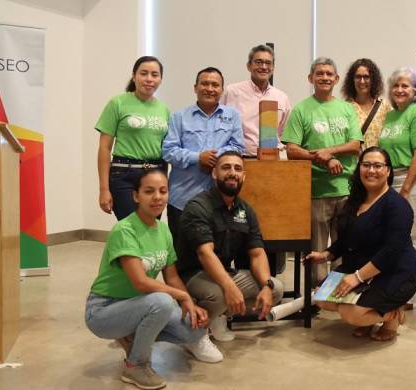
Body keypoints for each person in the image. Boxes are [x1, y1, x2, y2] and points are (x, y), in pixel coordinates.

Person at [84, 169, 222, 390]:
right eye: (149, 191)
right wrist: (183, 296)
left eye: (163, 191)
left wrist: (192, 306)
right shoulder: (125, 230)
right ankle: (135, 365)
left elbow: (172, 276)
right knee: (163, 302)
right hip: (103, 310)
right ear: (136, 196)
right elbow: (140, 282)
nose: (157, 197)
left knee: (194, 329)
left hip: (138, 305)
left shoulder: (164, 231)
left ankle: (132, 336)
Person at [305, 147, 416, 341]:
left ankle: (392, 315)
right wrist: (325, 255)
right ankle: (369, 317)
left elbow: (391, 252)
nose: (371, 170)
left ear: (388, 171)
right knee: (320, 298)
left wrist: (357, 277)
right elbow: (346, 239)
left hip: (396, 271)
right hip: (360, 266)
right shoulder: (355, 200)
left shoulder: (398, 205)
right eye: (366, 165)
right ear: (359, 168)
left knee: (351, 313)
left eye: (378, 165)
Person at [176, 151, 285, 342]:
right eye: (226, 167)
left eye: (238, 168)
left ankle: (217, 316)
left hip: (223, 272)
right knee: (218, 295)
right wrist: (229, 287)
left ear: (243, 176)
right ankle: (193, 335)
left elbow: (257, 253)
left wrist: (266, 286)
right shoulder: (199, 206)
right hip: (192, 275)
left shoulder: (245, 209)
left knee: (275, 288)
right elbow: (205, 253)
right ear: (214, 174)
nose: (232, 172)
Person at [281, 57, 362, 286]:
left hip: (346, 190)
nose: (325, 77)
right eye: (320, 74)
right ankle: (317, 295)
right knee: (317, 248)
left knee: (344, 244)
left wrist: (328, 152)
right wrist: (324, 160)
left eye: (329, 74)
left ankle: (339, 291)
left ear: (336, 79)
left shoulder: (346, 109)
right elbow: (292, 150)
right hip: (316, 190)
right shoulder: (301, 110)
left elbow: (355, 144)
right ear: (311, 78)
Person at [162, 67, 244, 242]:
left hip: (219, 199)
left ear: (222, 89)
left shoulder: (233, 116)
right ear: (195, 87)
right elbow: (168, 151)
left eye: (215, 85)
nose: (209, 88)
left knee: (218, 253)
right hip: (182, 198)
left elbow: (237, 147)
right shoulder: (179, 117)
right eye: (204, 83)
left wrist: (216, 159)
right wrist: (198, 157)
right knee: (181, 254)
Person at [96, 56, 170, 220]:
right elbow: (104, 148)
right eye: (144, 73)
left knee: (150, 228)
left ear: (160, 79)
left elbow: (167, 149)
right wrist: (104, 189)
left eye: (154, 75)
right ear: (134, 76)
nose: (149, 79)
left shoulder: (164, 109)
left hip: (156, 174)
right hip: (124, 175)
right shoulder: (118, 103)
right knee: (132, 228)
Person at [378, 67, 416, 309]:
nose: (400, 90)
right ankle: (395, 289)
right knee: (393, 238)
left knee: (413, 238)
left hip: (411, 181)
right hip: (389, 181)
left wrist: (405, 190)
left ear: (415, 90)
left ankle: (412, 295)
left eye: (405, 85)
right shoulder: (389, 116)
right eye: (396, 85)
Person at [221, 44, 292, 158]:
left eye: (268, 63)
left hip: (271, 160)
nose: (264, 67)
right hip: (239, 159)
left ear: (273, 68)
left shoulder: (282, 98)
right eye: (258, 62)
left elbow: (284, 134)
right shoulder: (232, 92)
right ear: (249, 66)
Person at [341, 58, 391, 148]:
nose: (362, 81)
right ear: (352, 80)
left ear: (373, 80)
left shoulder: (384, 106)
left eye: (366, 77)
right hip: (354, 161)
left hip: (379, 161)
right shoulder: (345, 107)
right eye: (358, 77)